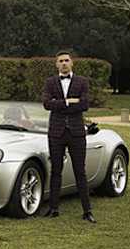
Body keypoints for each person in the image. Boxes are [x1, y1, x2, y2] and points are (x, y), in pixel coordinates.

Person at [41, 50, 96, 223]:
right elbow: (46, 104)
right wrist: (68, 102)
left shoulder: (82, 82)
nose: (64, 63)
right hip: (56, 133)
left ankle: (87, 211)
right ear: (56, 64)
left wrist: (59, 104)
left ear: (72, 63)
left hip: (77, 133)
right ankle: (53, 208)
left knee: (80, 171)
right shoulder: (50, 82)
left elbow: (84, 105)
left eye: (66, 60)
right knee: (55, 171)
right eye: (61, 61)